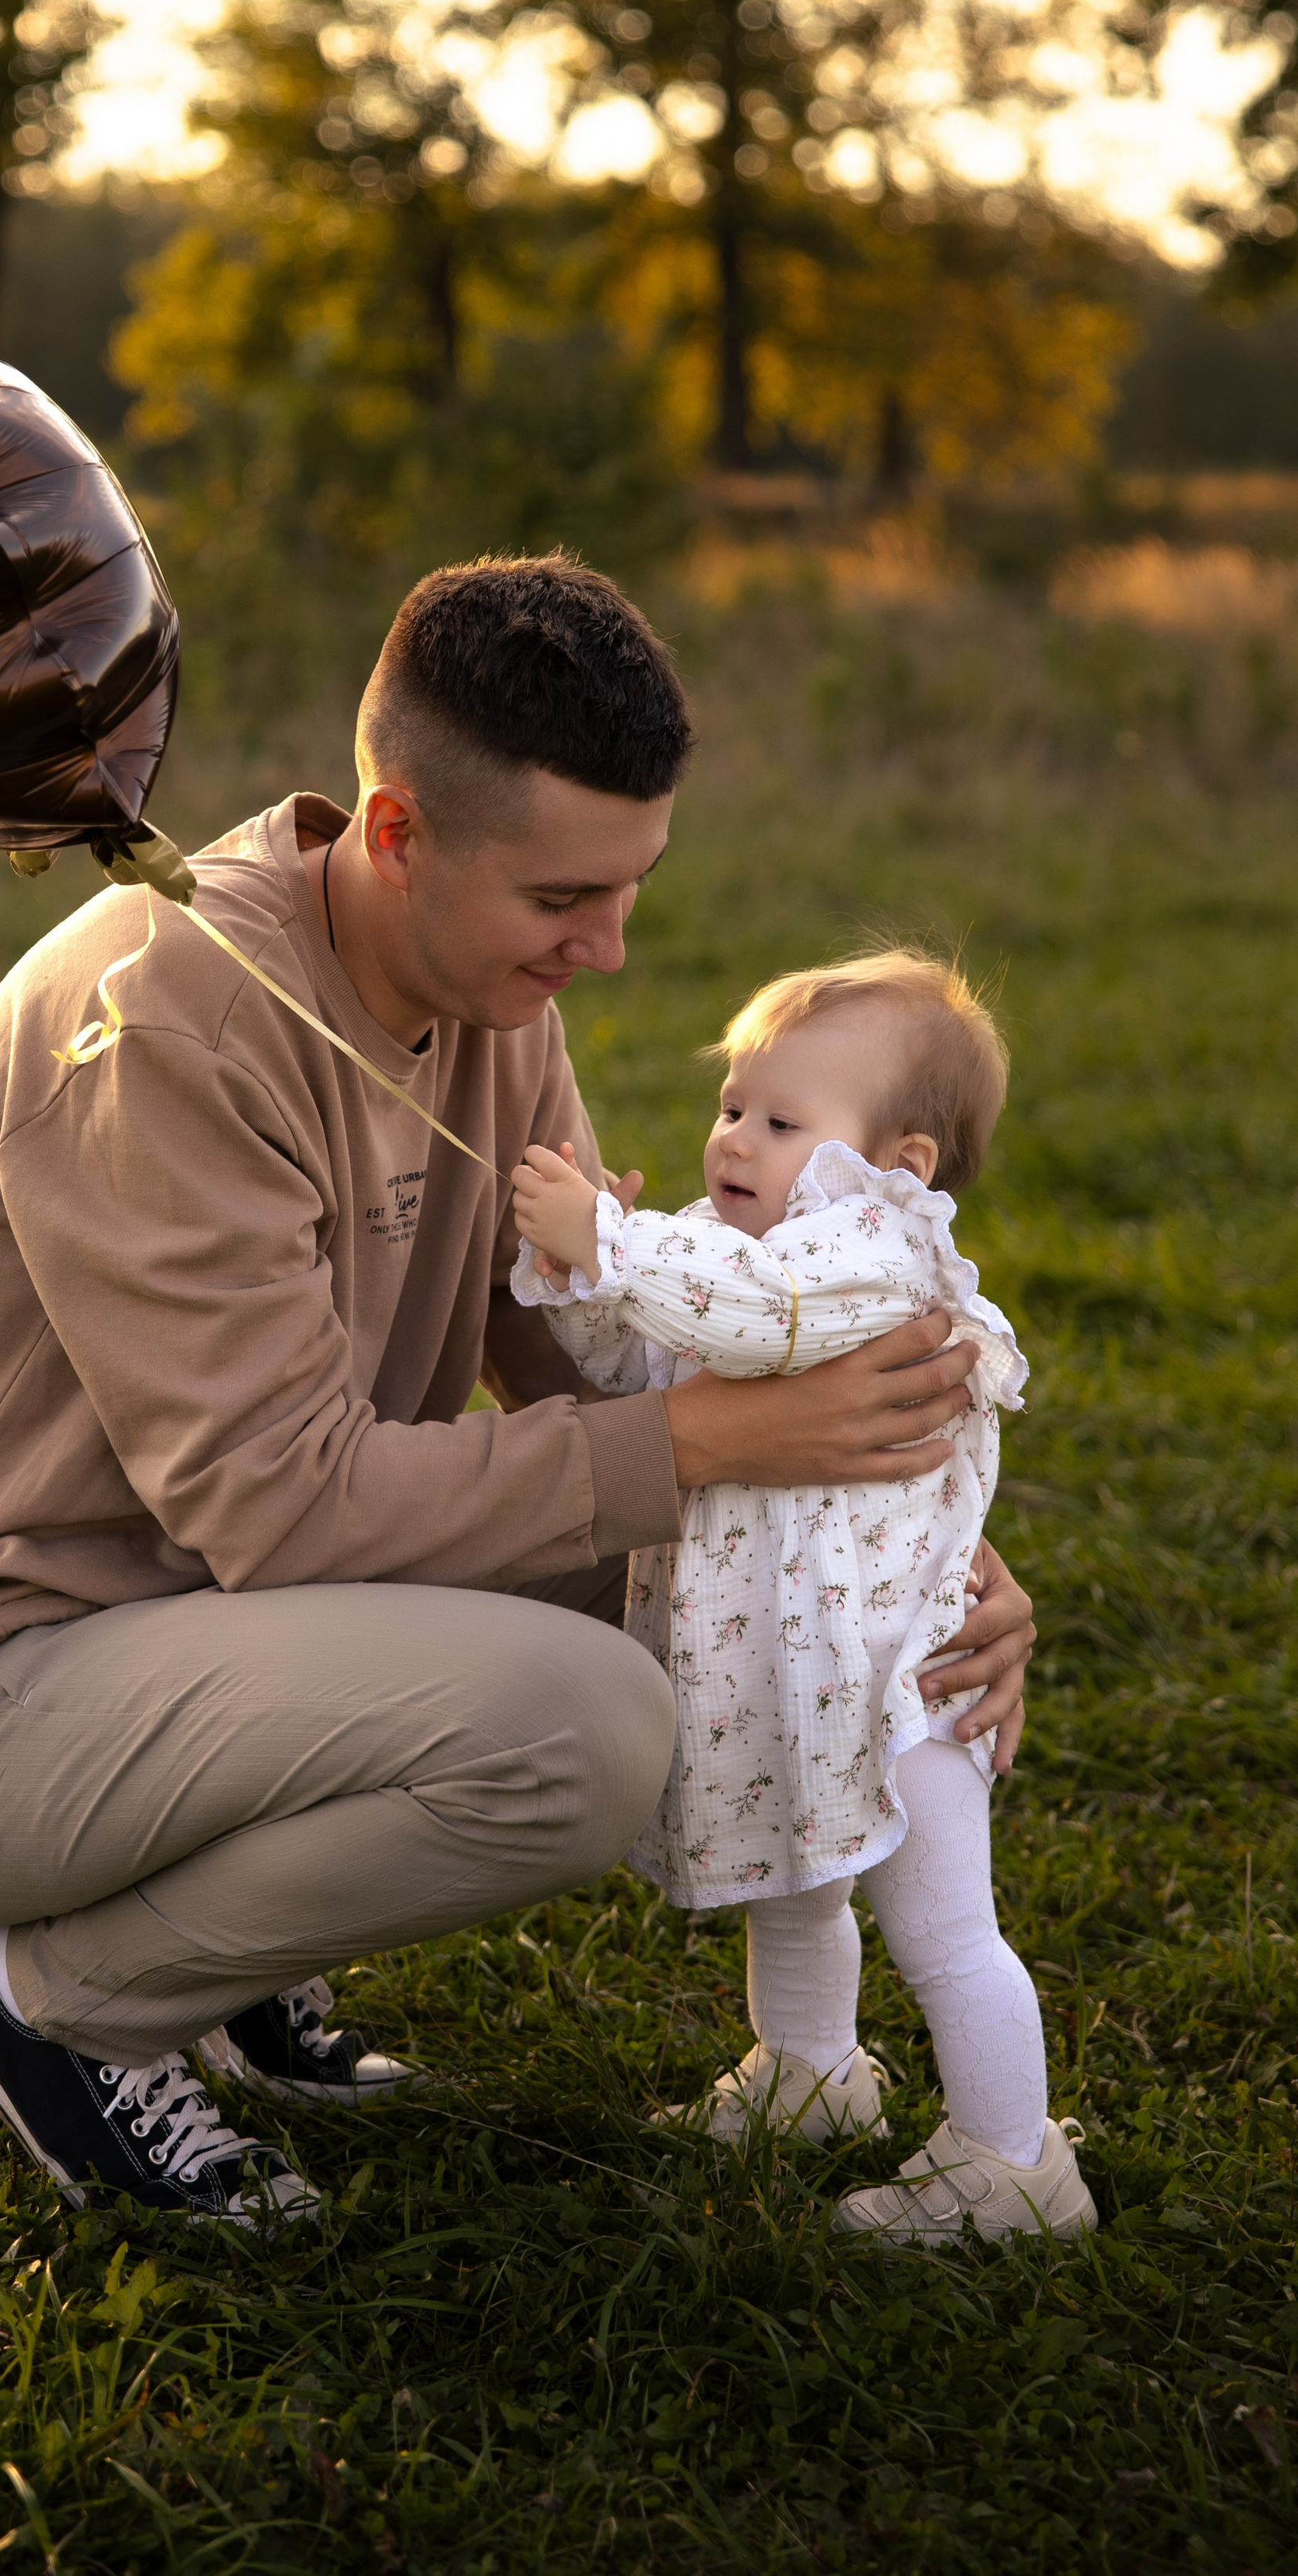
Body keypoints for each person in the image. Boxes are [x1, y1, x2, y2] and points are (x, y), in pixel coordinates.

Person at [0, 558, 1037, 2227]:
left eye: (632, 885)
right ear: (393, 834)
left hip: (214, 1628)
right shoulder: (165, 1025)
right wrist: (709, 1443)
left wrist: (891, 1550)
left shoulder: (484, 999)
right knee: (575, 1728)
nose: (609, 947)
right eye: (561, 899)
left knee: (742, 1585)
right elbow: (283, 1509)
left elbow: (579, 1346)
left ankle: (224, 1956)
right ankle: (62, 2010)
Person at [509, 949, 1094, 2244]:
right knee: (797, 1888)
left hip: (900, 1673)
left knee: (942, 1925)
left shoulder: (871, 1255)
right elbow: (638, 1357)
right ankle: (812, 2072)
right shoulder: (723, 1250)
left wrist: (616, 1241)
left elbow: (753, 1320)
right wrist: (586, 1274)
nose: (735, 1138)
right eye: (732, 1106)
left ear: (902, 1164)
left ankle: (1015, 2161)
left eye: (783, 1123)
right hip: (785, 1666)